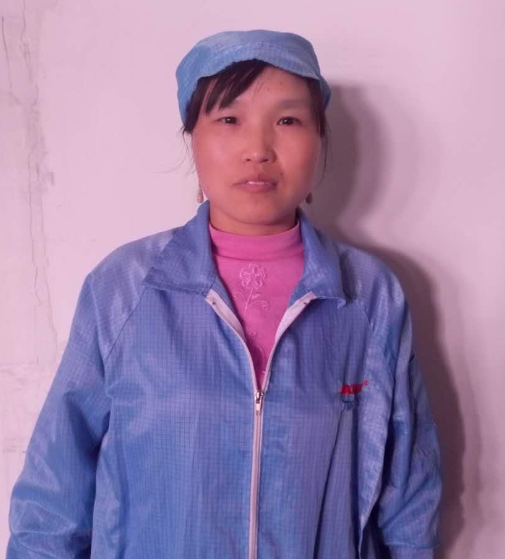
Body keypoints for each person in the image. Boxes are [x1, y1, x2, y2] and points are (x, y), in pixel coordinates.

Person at [6, 29, 442, 559]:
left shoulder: (369, 298)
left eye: (287, 121)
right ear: (193, 137)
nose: (257, 150)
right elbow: (54, 497)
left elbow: (409, 497)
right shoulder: (124, 289)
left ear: (320, 139)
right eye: (229, 120)